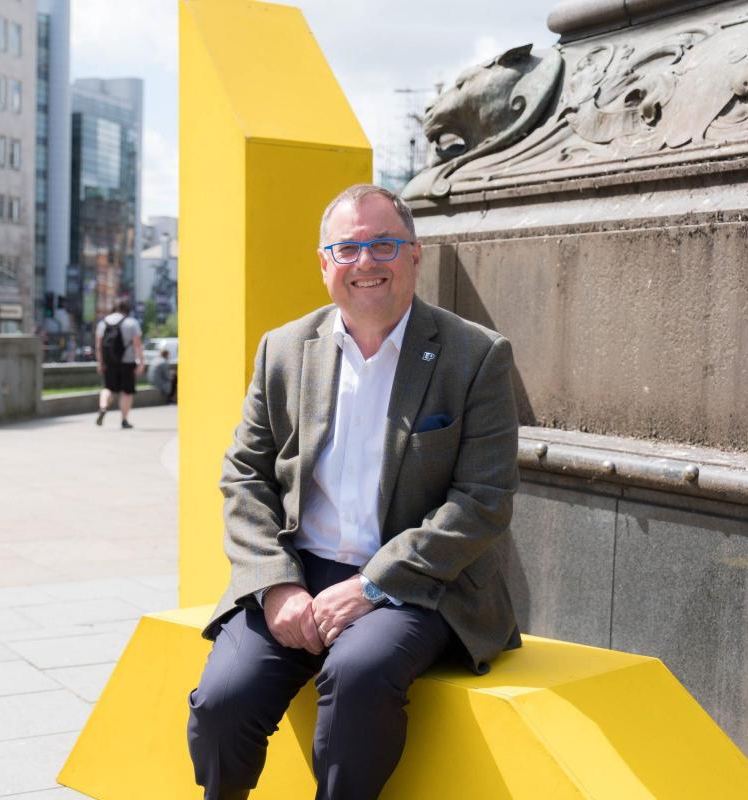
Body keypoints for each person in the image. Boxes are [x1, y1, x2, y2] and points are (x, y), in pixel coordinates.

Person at [186, 184, 522, 800]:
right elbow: (244, 475)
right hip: (299, 568)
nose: (365, 262)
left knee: (358, 676)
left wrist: (372, 586)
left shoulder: (476, 356)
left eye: (384, 244)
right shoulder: (283, 349)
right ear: (324, 262)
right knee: (221, 703)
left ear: (415, 255)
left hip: (416, 582)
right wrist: (275, 581)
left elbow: (484, 500)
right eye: (347, 248)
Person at [95, 299, 144, 428]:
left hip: (109, 362)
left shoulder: (102, 323)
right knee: (126, 392)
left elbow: (98, 346)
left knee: (108, 388)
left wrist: (100, 363)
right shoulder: (131, 323)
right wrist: (141, 362)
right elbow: (137, 345)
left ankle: (103, 407)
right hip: (127, 362)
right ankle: (124, 420)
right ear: (127, 309)